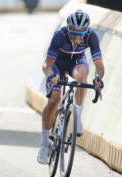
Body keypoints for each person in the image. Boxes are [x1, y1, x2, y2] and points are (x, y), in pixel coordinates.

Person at [37, 10, 105, 164]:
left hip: (76, 62)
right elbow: (47, 64)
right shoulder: (60, 35)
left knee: (82, 77)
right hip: (57, 65)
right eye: (73, 32)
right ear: (68, 28)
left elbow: (99, 65)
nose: (77, 37)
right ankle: (44, 144)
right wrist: (50, 76)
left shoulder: (91, 36)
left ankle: (77, 116)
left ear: (86, 31)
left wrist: (98, 78)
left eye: (80, 33)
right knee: (54, 100)